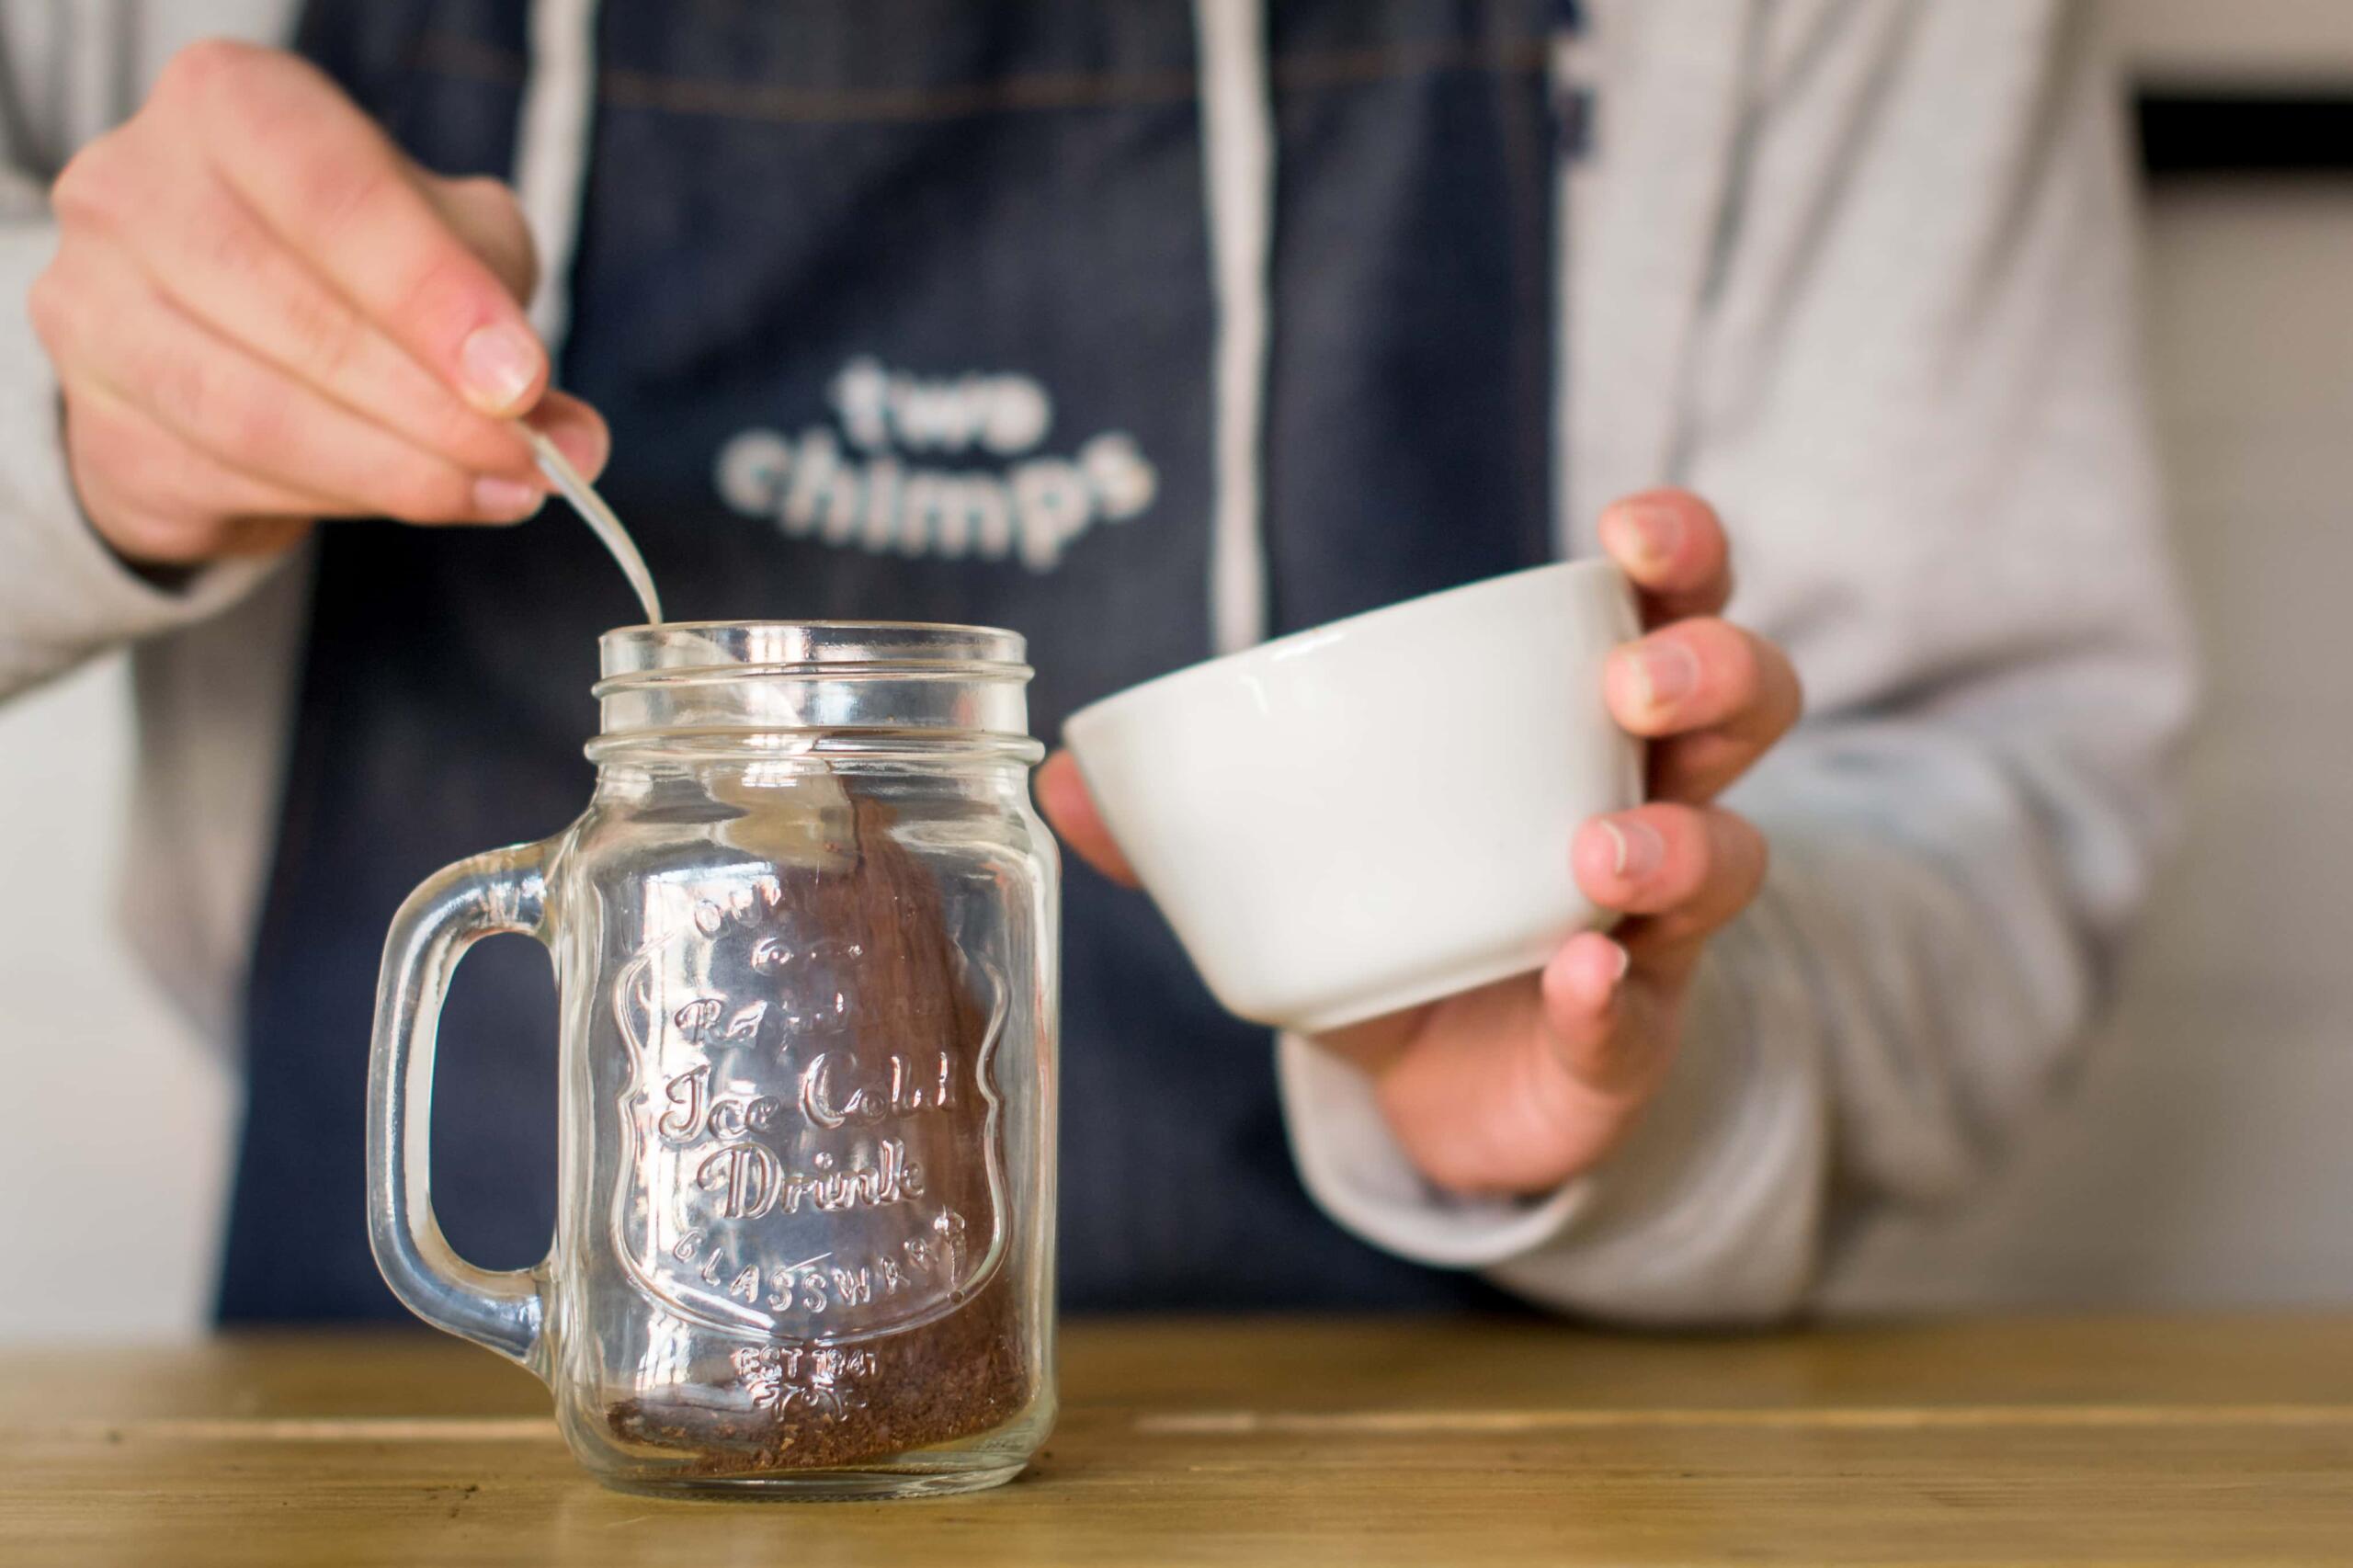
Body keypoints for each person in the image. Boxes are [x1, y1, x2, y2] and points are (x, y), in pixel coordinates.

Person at [0, 0, 2189, 1324]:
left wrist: (1638, 1063)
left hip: (1457, 1492)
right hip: (431, 1457)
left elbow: (1994, 779)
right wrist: (81, 434)